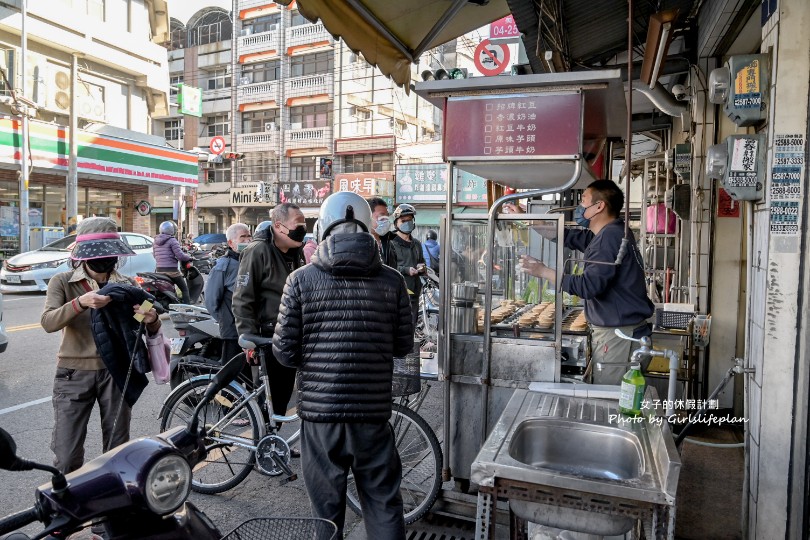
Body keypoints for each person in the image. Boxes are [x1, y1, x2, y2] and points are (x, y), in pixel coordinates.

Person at [273, 191, 413, 539]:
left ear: (322, 229)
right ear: (369, 228)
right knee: (382, 503)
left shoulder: (301, 280)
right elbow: (403, 345)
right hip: (372, 416)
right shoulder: (393, 281)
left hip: (322, 419)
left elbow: (285, 353)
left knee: (327, 514)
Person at [41, 217, 160, 474]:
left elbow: (142, 323)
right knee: (67, 456)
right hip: (73, 374)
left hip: (116, 373)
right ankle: (68, 507)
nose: (105, 259)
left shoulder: (128, 286)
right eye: (99, 253)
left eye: (110, 254)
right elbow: (48, 322)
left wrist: (151, 319)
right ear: (83, 255)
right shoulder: (62, 282)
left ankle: (111, 506)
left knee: (117, 452)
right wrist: (80, 302)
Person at [518, 180, 655, 385]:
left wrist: (543, 271)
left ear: (599, 206)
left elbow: (588, 286)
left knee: (612, 404)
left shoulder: (610, 237)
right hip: (623, 334)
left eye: (583, 201)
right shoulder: (612, 232)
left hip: (619, 338)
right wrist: (529, 220)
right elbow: (570, 237)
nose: (579, 208)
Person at [232, 203, 305, 421]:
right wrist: (247, 336)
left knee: (282, 399)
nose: (302, 228)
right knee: (271, 399)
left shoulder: (295, 251)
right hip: (267, 336)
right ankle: (261, 448)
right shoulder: (258, 251)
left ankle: (274, 445)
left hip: (289, 334)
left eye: (304, 223)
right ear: (279, 226)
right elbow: (242, 297)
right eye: (297, 224)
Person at [205, 223, 251, 365]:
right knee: (232, 373)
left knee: (248, 373)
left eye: (249, 236)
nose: (247, 240)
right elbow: (212, 300)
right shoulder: (223, 266)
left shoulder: (250, 261)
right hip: (232, 331)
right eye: (242, 237)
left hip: (249, 329)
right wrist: (225, 319)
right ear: (231, 243)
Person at [389, 203, 426, 330]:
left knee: (411, 326)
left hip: (414, 293)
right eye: (403, 221)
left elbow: (421, 261)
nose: (407, 223)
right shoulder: (390, 243)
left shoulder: (416, 244)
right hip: (396, 294)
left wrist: (422, 268)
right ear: (396, 223)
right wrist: (406, 270)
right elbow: (387, 267)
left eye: (409, 220)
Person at [153, 221, 193, 304]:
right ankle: (188, 310)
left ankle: (140, 315)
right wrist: (189, 257)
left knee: (155, 294)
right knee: (184, 289)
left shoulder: (155, 241)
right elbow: (180, 256)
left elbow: (155, 255)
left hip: (159, 271)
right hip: (171, 271)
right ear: (172, 230)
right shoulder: (172, 240)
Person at [367, 197, 396, 266]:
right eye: (381, 217)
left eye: (387, 217)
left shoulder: (390, 241)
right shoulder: (360, 243)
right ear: (368, 216)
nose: (385, 221)